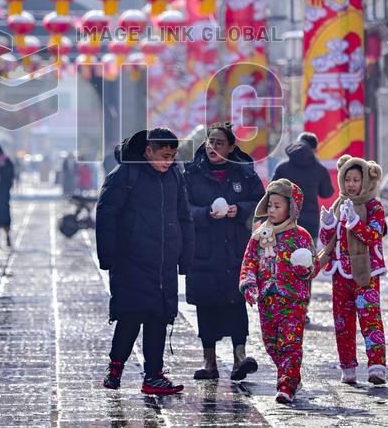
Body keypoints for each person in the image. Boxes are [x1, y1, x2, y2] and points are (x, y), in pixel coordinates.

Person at [96, 128, 194, 395]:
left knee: (159, 319)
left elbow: (184, 216)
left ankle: (154, 376)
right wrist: (108, 257)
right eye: (164, 155)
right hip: (131, 262)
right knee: (130, 317)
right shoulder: (126, 175)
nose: (168, 161)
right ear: (148, 151)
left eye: (173, 156)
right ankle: (115, 368)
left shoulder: (174, 175)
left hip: (164, 263)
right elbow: (106, 215)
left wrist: (185, 257)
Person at [183, 122, 264, 381]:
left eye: (219, 143)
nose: (213, 147)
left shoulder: (244, 174)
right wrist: (206, 213)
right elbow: (183, 207)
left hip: (235, 250)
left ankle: (240, 357)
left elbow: (260, 202)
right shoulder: (191, 173)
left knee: (236, 303)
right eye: (210, 142)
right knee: (206, 307)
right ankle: (209, 362)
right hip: (203, 250)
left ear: (231, 147)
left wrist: (238, 210)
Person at [239, 179, 319, 404]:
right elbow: (249, 261)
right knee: (271, 343)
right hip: (268, 299)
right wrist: (248, 283)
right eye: (270, 205)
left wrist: (304, 269)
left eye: (278, 206)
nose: (272, 210)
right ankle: (291, 375)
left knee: (290, 343)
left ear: (291, 208)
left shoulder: (301, 235)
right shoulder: (260, 235)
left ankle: (287, 384)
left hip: (293, 300)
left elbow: (313, 266)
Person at [318, 155, 388, 386]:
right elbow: (330, 241)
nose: (350, 184)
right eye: (347, 179)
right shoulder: (340, 204)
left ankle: (377, 367)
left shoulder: (374, 206)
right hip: (340, 273)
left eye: (356, 180)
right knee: (342, 322)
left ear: (366, 181)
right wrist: (328, 224)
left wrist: (356, 222)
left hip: (366, 273)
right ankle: (347, 367)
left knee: (370, 319)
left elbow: (374, 235)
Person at [272, 132, 334, 239]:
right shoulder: (319, 169)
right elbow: (326, 193)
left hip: (285, 220)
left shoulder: (282, 167)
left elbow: (271, 192)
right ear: (314, 150)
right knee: (308, 254)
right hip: (310, 222)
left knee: (285, 253)